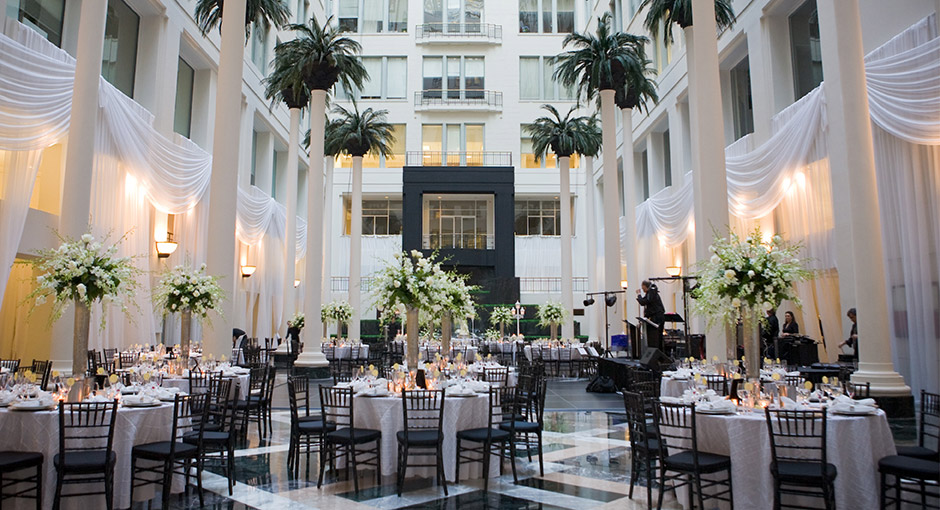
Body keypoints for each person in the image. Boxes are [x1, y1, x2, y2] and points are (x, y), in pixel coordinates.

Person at [636, 280, 665, 350]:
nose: (643, 290)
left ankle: (657, 352)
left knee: (655, 336)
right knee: (656, 336)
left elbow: (644, 302)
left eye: (643, 288)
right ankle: (656, 351)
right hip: (656, 316)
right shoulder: (651, 293)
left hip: (656, 317)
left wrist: (639, 295)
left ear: (646, 287)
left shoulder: (651, 293)